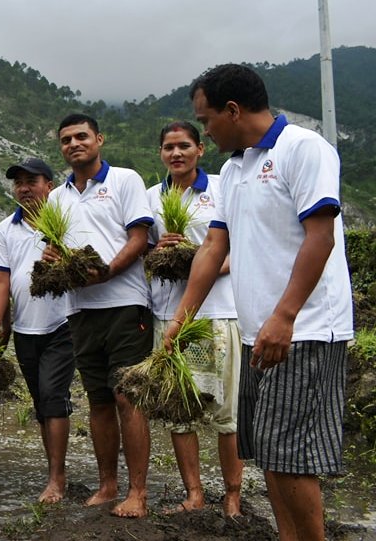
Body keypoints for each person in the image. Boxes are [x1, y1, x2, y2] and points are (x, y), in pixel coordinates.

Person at [164, 64, 353, 541]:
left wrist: (285, 315)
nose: (204, 128)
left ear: (233, 110)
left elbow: (320, 237)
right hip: (258, 334)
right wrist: (180, 319)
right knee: (268, 451)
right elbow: (213, 247)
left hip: (303, 330)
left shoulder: (304, 149)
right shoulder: (233, 168)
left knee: (291, 457)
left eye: (206, 119)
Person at [46, 113, 154, 518]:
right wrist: (53, 262)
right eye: (66, 140)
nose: (74, 144)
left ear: (99, 139)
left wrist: (104, 272)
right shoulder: (57, 198)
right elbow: (55, 249)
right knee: (99, 400)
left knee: (129, 397)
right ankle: (108, 483)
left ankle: (137, 492)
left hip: (125, 305)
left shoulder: (125, 180)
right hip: (80, 310)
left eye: (81, 136)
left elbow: (139, 238)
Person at [147, 121, 243, 517]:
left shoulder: (223, 188)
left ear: (200, 148)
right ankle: (195, 493)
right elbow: (143, 254)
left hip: (216, 316)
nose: (176, 154)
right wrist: (162, 253)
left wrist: (204, 263)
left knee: (226, 413)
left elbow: (243, 245)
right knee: (180, 408)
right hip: (170, 319)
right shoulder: (152, 197)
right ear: (160, 153)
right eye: (169, 147)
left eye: (184, 146)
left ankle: (233, 496)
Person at [0, 158, 74, 503]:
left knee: (53, 396)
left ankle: (57, 478)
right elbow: (2, 280)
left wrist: (63, 253)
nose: (24, 187)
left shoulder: (65, 219)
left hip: (62, 323)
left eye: (31, 180)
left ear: (48, 185)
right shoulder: (6, 228)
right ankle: (55, 469)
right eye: (18, 182)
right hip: (24, 328)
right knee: (41, 403)